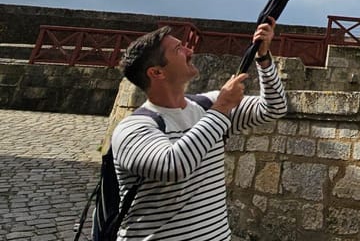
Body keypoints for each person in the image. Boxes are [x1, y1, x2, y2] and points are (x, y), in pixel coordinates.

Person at [111, 18, 287, 240]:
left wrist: (263, 58)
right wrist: (221, 107)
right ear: (157, 73)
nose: (189, 49)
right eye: (178, 49)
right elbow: (173, 166)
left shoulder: (207, 105)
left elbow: (274, 108)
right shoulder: (133, 129)